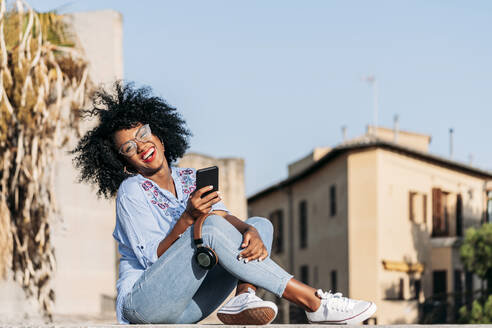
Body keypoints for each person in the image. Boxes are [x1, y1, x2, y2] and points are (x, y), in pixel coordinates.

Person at [71, 82, 377, 325]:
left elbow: (224, 219)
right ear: (124, 163)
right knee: (213, 226)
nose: (141, 146)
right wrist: (189, 218)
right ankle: (315, 302)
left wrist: (249, 230)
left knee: (259, 224)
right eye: (129, 147)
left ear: (160, 134)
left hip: (188, 307)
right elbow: (153, 259)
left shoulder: (190, 177)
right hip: (145, 304)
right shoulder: (132, 191)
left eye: (143, 133)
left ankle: (245, 295)